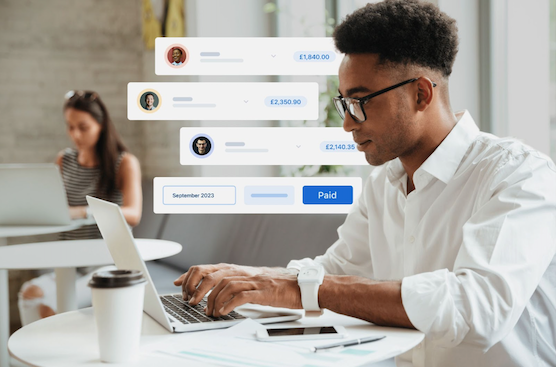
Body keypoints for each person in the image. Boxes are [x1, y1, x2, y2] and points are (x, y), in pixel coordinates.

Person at [173, 1, 556, 366]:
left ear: (420, 93)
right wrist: (245, 279)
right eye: (344, 103)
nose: (347, 122)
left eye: (361, 101)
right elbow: (335, 268)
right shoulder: (383, 185)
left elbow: (477, 308)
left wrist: (301, 287)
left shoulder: (520, 174)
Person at [18, 90, 142, 325]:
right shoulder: (64, 159)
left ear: (101, 124)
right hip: (69, 259)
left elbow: (133, 214)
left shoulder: (124, 162)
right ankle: (29, 360)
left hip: (108, 259)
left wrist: (82, 211)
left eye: (83, 127)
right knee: (29, 293)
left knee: (52, 305)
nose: (75, 134)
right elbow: (54, 207)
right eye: (70, 127)